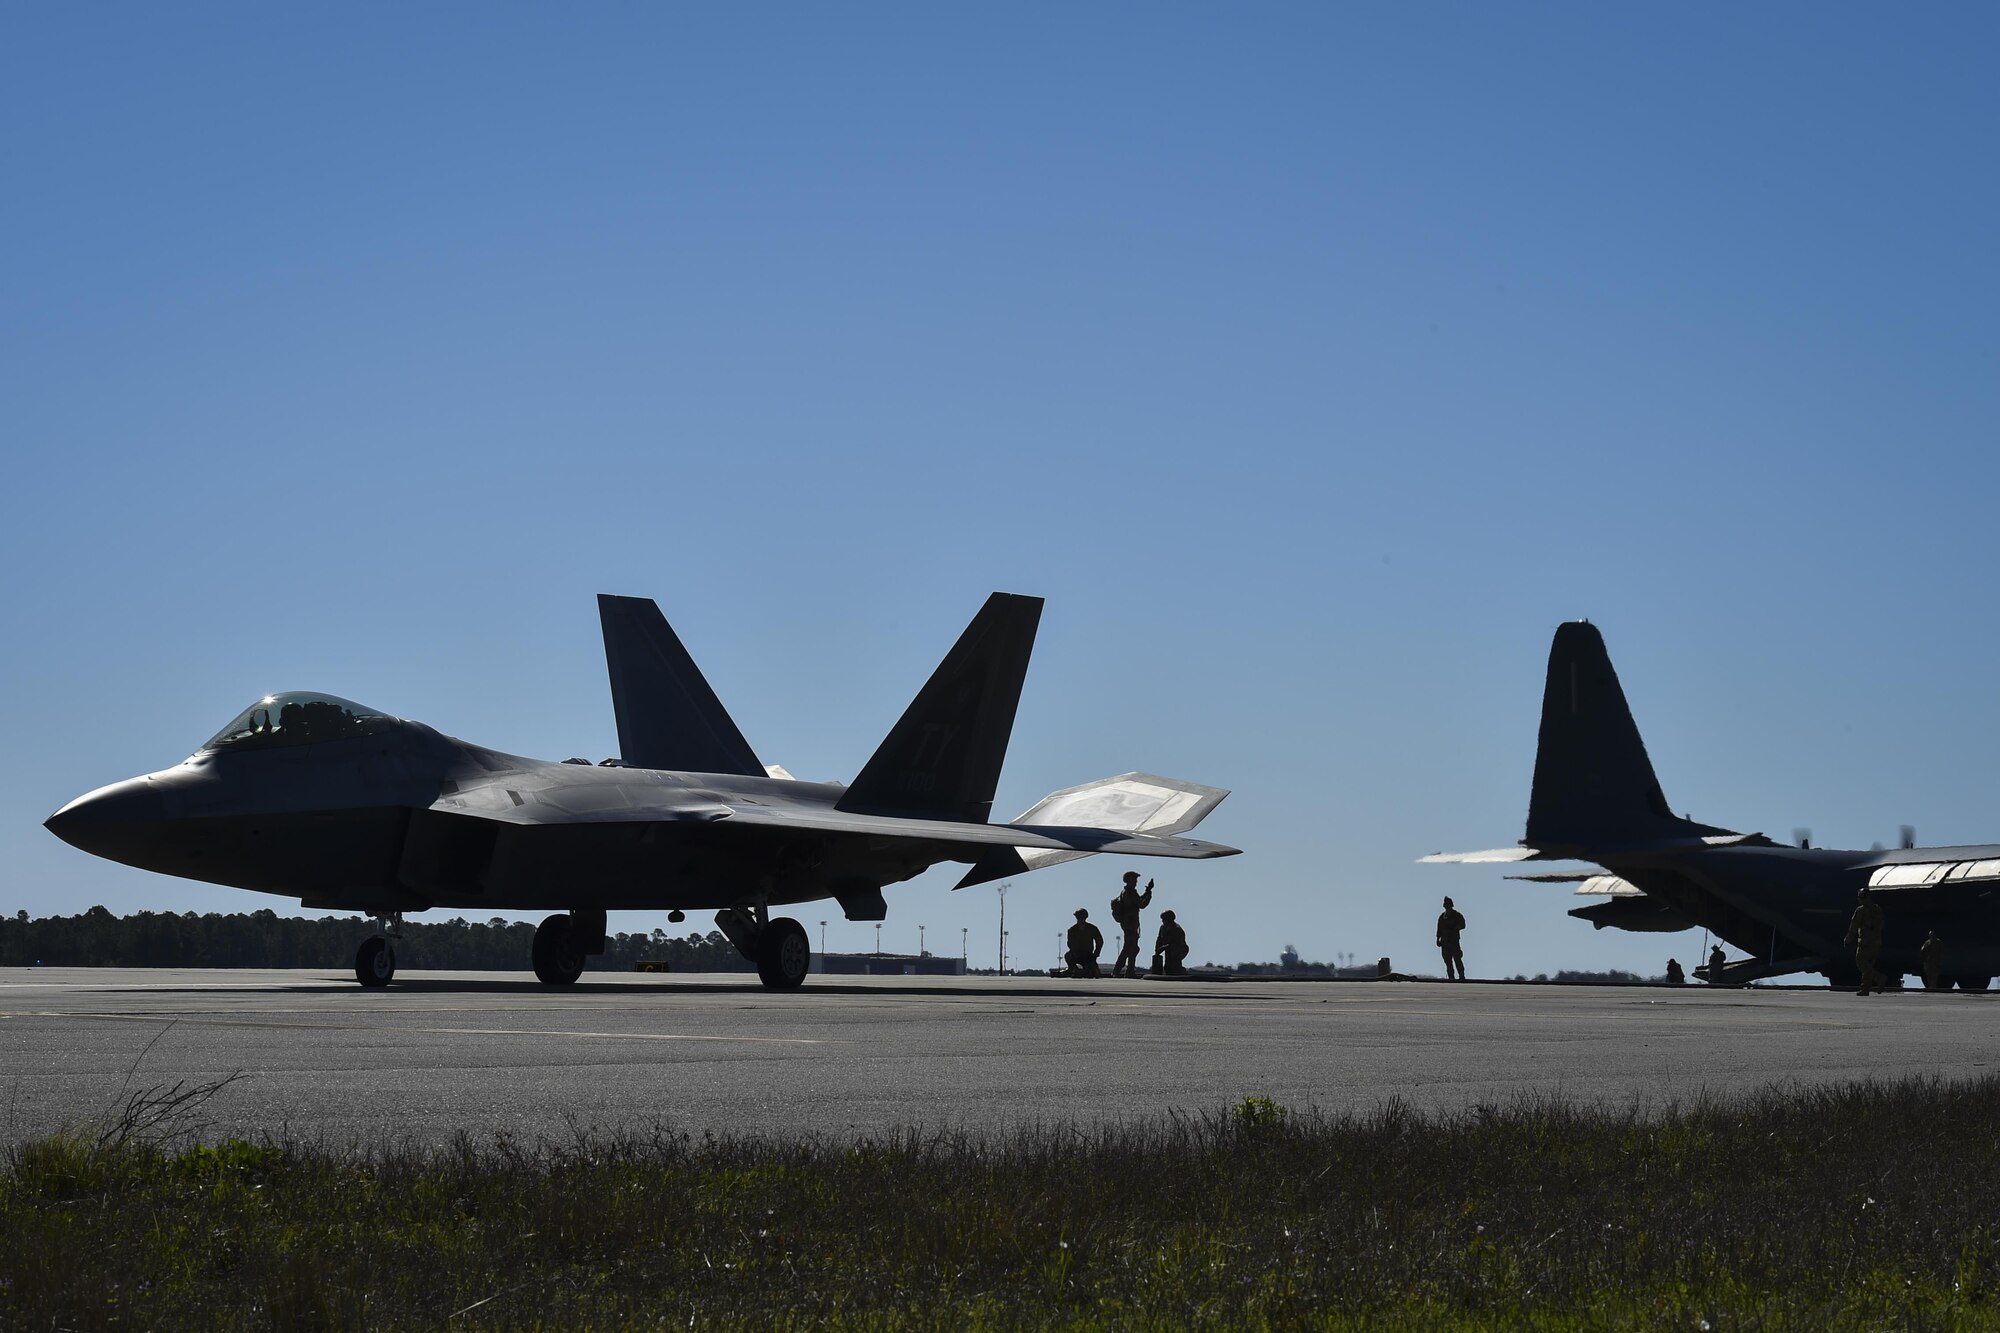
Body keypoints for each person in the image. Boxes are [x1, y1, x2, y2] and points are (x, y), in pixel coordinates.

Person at [1109, 871, 1154, 977]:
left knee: (1133, 948)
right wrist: (1149, 893)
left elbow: (1138, 901)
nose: (1136, 882)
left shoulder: (1127, 891)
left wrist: (1147, 891)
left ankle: (1129, 970)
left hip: (1129, 923)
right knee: (1129, 948)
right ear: (1129, 880)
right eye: (1134, 879)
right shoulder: (1130, 892)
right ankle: (1118, 970)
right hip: (1130, 924)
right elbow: (1141, 904)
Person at [1844, 886, 1887, 996]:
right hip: (1876, 942)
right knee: (1868, 965)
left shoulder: (1861, 910)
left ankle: (1878, 977)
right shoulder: (1877, 909)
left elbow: (1853, 926)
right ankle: (1865, 989)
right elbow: (1881, 925)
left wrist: (1848, 939)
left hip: (1865, 942)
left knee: (1861, 963)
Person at [1064, 908, 1104, 978]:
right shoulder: (1072, 930)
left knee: (1094, 973)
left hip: (1088, 956)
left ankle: (1087, 970)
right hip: (1076, 954)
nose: (1080, 919)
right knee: (1068, 956)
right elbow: (1070, 943)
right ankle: (1074, 969)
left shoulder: (1092, 928)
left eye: (1082, 918)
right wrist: (1075, 952)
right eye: (1079, 918)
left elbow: (1099, 941)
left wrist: (1095, 954)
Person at [1436, 897, 1467, 980]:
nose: (1447, 906)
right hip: (1445, 942)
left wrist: (1455, 928)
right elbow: (1439, 929)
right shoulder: (1442, 916)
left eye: (1448, 904)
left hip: (1454, 941)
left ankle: (1462, 977)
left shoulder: (1457, 915)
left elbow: (1463, 925)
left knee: (1457, 959)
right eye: (1446, 905)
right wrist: (1438, 939)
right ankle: (1451, 978)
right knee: (1448, 961)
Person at [1153, 909, 1189, 976]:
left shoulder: (1178, 929)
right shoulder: (1162, 928)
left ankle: (1180, 970)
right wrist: (1157, 951)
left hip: (1180, 949)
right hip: (1168, 949)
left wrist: (1164, 947)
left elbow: (1177, 944)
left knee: (1174, 964)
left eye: (1165, 919)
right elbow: (1159, 940)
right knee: (1168, 968)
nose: (1163, 921)